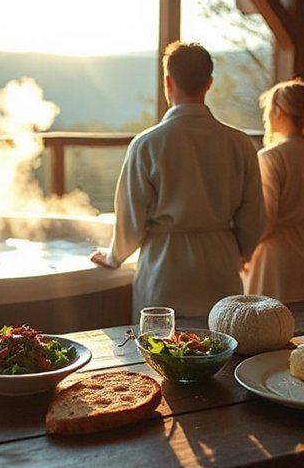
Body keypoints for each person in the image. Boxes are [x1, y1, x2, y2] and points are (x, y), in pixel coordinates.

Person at [90, 41, 265, 317]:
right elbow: (253, 215)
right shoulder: (240, 143)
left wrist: (114, 256)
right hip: (220, 268)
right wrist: (242, 251)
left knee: (160, 352)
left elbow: (131, 220)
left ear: (168, 82)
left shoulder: (146, 144)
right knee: (221, 348)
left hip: (164, 273)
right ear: (209, 84)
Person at [242, 78, 304, 303]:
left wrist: (245, 253)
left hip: (273, 259)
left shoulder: (270, 157)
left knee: (268, 328)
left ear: (281, 112)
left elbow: (267, 219)